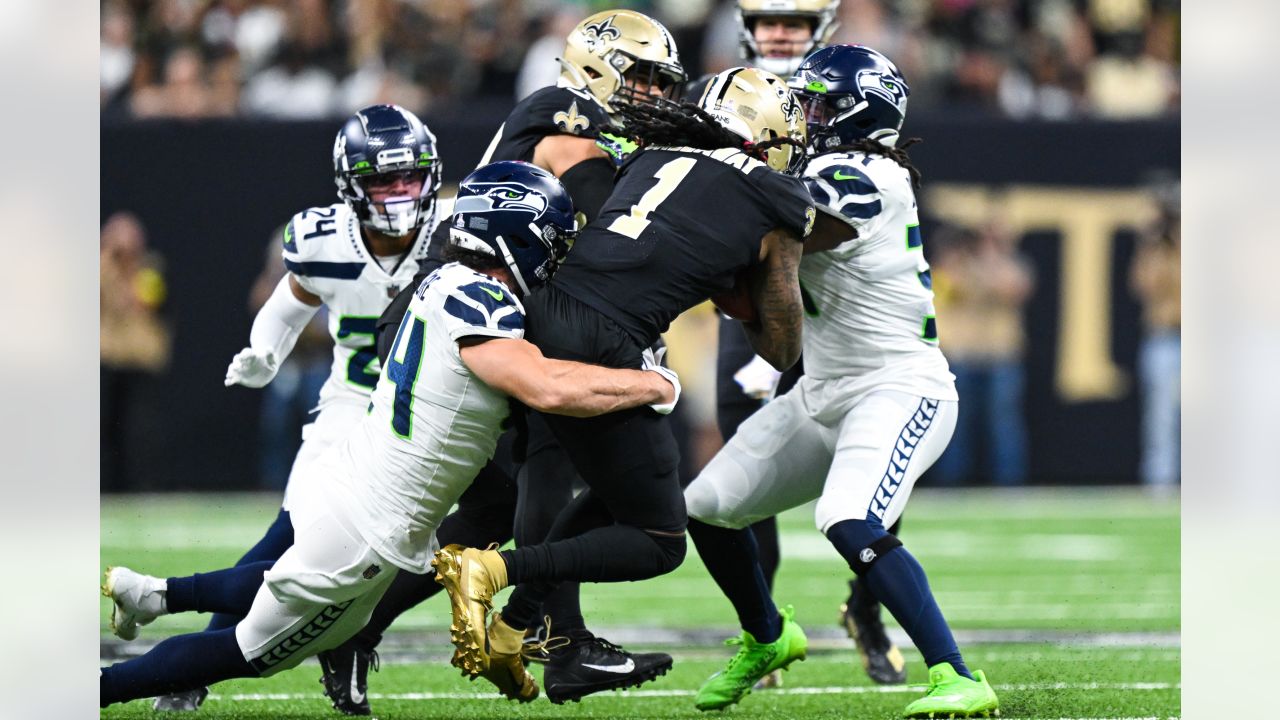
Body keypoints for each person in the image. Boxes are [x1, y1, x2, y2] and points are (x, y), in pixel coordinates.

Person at [99, 161, 680, 709]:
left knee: (286, 584)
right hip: (370, 532)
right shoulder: (484, 305)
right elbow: (548, 388)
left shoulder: (446, 278)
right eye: (551, 238)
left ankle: (154, 595)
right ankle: (97, 689)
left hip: (357, 489)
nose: (556, 254)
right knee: (245, 653)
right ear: (516, 237)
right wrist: (651, 384)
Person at [318, 10, 689, 711]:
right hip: (471, 307)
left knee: (493, 505)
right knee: (560, 453)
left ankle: (354, 629)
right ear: (596, 69)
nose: (653, 95)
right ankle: (561, 640)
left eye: (660, 83)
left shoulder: (598, 127)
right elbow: (611, 236)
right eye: (641, 77)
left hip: (487, 307)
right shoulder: (567, 120)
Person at [433, 66, 813, 700]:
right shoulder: (779, 200)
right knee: (660, 539)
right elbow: (781, 345)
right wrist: (753, 277)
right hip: (606, 339)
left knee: (615, 492)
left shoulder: (651, 149)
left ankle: (515, 628)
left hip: (543, 309)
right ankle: (490, 569)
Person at [681, 45, 1000, 719]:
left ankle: (956, 675)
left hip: (899, 388)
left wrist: (716, 160)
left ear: (856, 114)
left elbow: (792, 213)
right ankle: (768, 636)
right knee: (706, 503)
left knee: (848, 516)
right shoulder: (816, 167)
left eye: (817, 104)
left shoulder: (868, 174)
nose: (803, 116)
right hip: (824, 392)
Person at [147, 102, 445, 712]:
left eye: (408, 177)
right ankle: (199, 660)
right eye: (381, 180)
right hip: (351, 408)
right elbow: (289, 302)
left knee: (459, 536)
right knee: (291, 539)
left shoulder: (456, 232)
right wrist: (265, 351)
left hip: (430, 412)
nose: (397, 194)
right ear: (349, 186)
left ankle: (360, 637)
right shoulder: (323, 240)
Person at [695, 0, 908, 688]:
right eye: (768, 24)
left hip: (837, 309)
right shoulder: (725, 98)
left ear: (819, 29)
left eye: (793, 22)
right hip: (765, 306)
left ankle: (867, 611)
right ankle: (761, 628)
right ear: (747, 31)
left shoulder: (848, 91)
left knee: (873, 477)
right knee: (744, 474)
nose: (780, 34)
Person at [100, 212, 172, 493]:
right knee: (105, 428)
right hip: (108, 358)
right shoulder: (101, 269)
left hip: (141, 360)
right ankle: (105, 487)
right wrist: (107, 263)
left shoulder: (149, 270)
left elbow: (143, 302)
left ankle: (141, 487)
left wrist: (128, 269)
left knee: (139, 430)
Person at [1128, 189, 1180, 489]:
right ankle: (1160, 484)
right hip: (1165, 337)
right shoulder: (1157, 250)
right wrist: (1153, 242)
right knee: (1160, 417)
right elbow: (1142, 285)